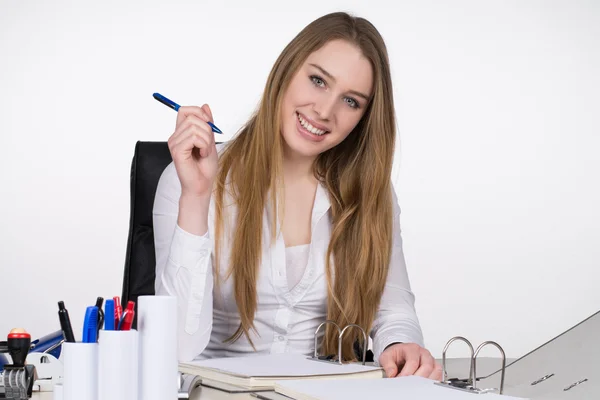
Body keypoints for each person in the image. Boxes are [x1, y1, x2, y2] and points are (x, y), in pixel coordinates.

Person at [153, 11, 442, 380]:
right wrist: (196, 197)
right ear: (286, 70)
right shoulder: (189, 180)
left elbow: (394, 310)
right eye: (318, 80)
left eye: (350, 101)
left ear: (364, 118)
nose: (324, 111)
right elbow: (176, 348)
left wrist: (400, 344)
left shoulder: (372, 193)